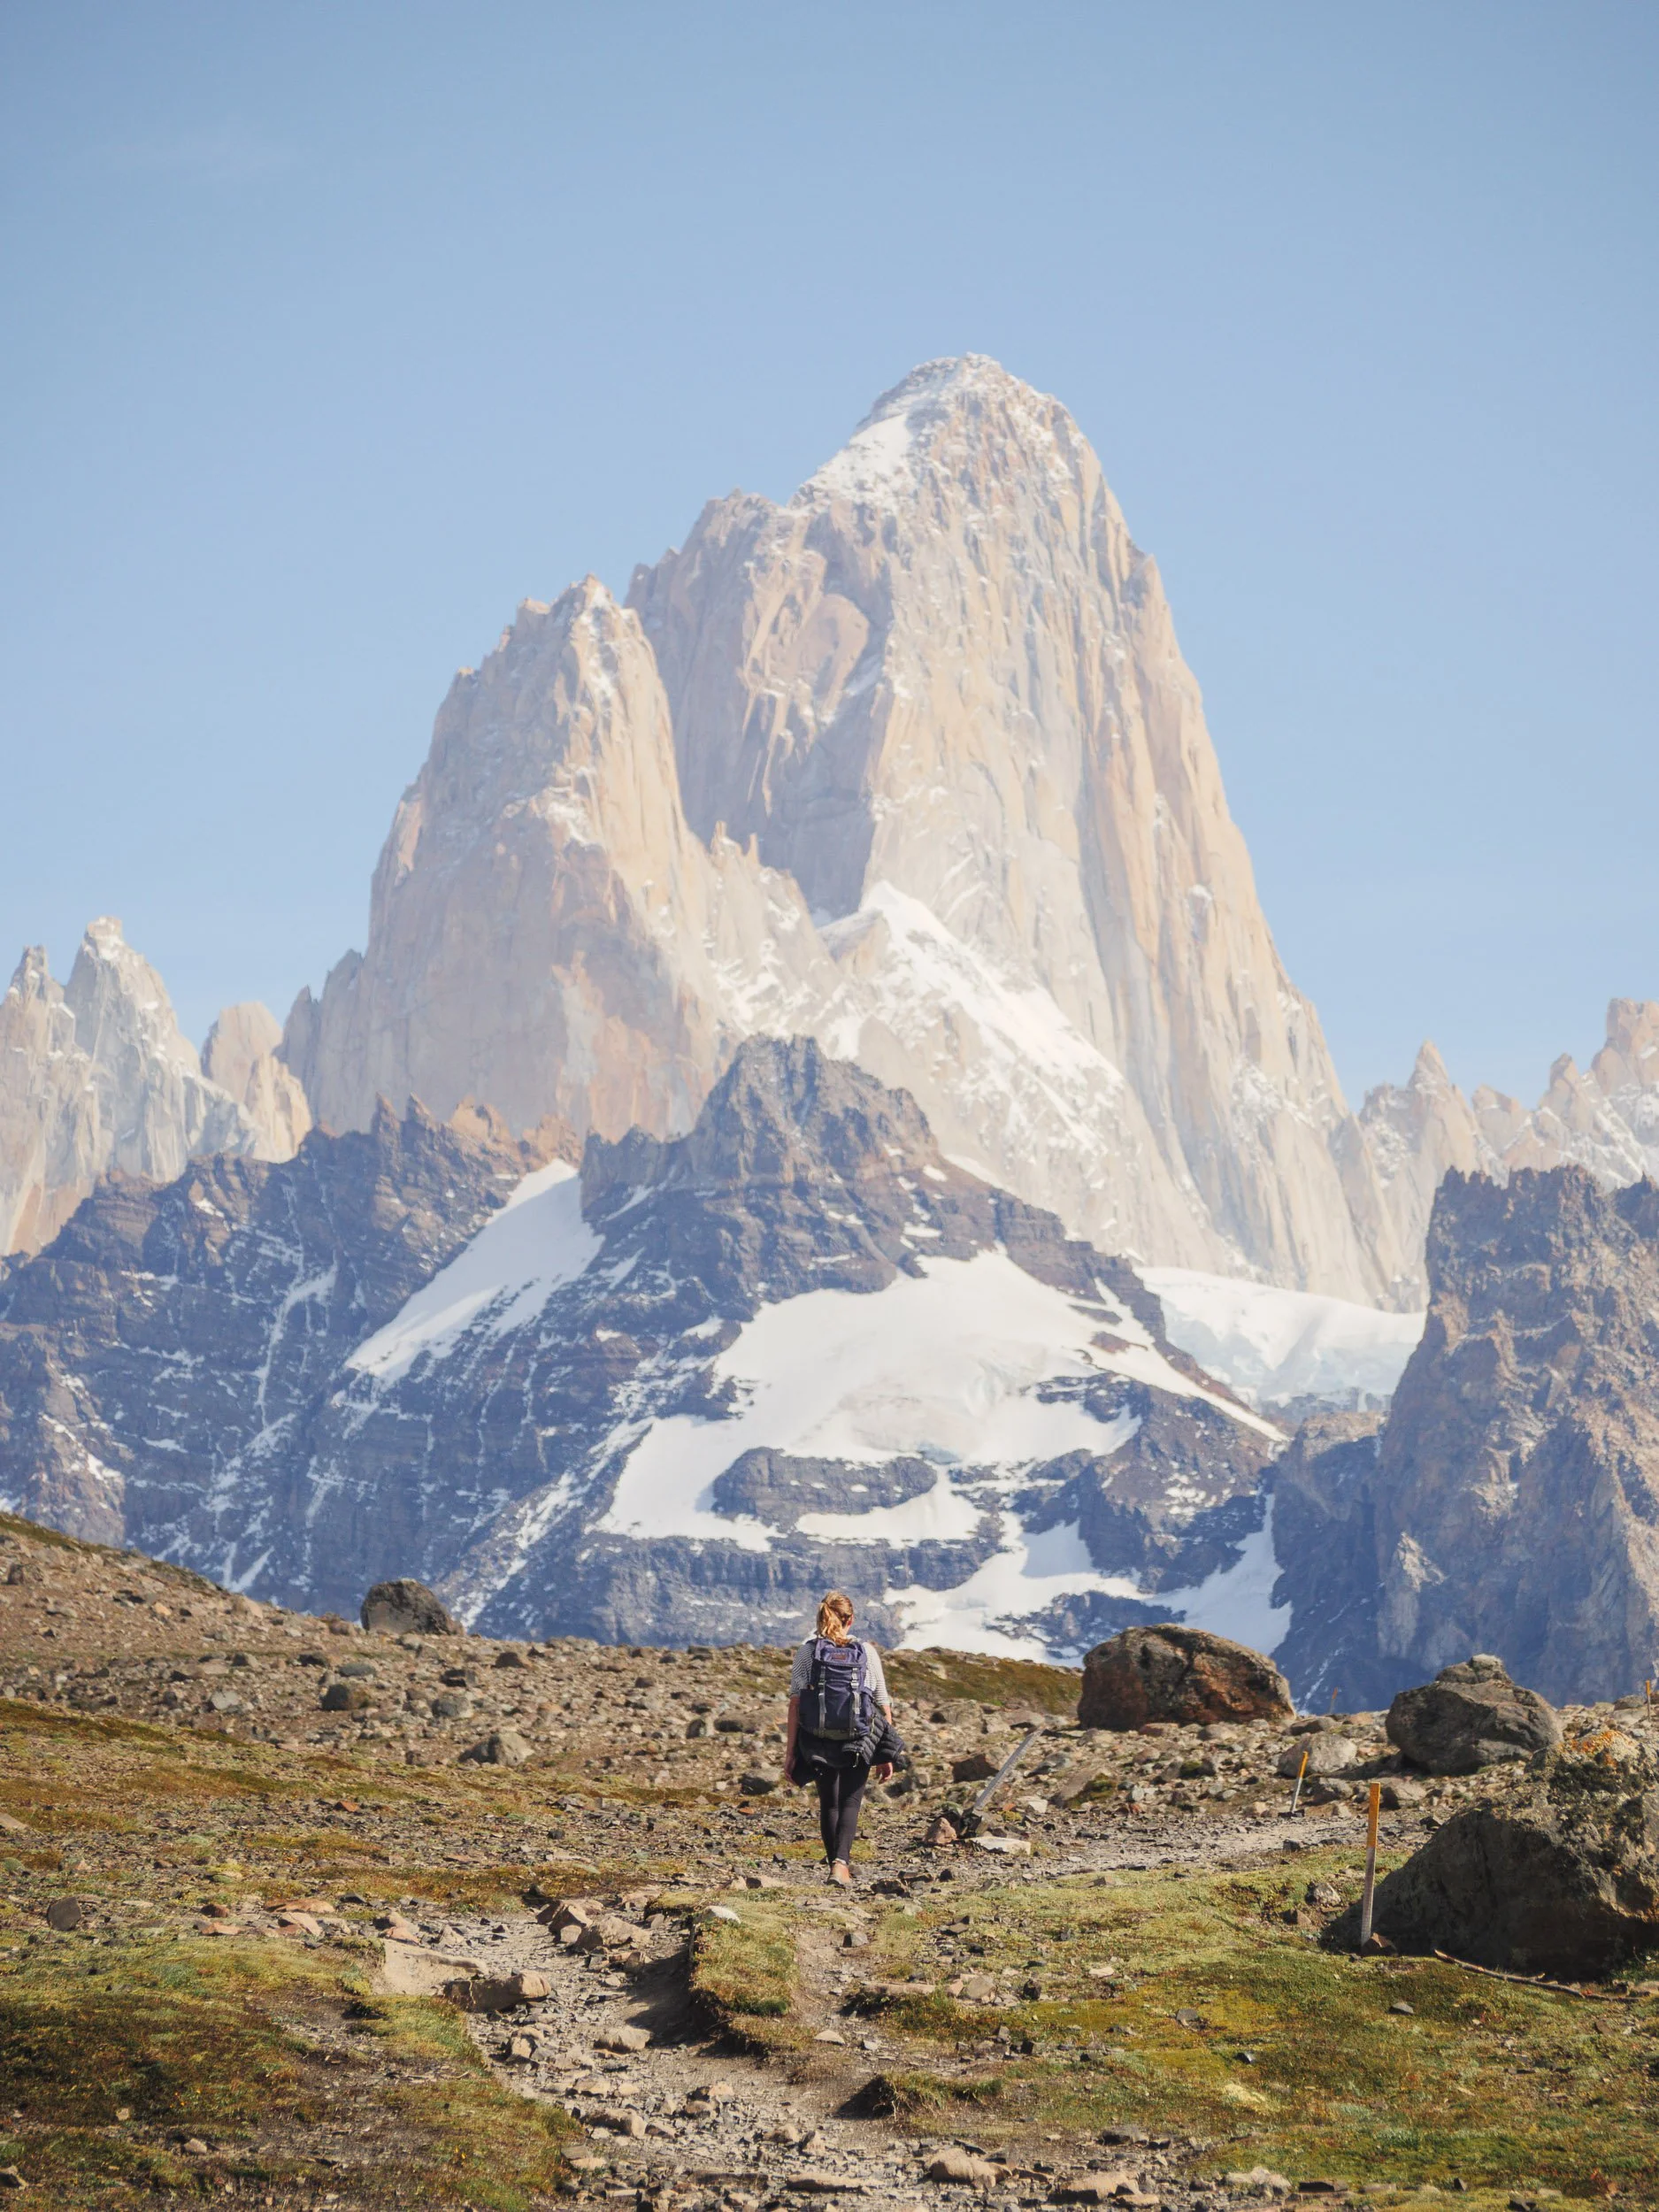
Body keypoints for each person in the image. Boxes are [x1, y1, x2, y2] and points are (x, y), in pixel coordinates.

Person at [783, 1591, 896, 1886]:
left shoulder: (808, 1652)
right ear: (851, 1619)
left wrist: (791, 1753)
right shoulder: (866, 1651)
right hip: (859, 1737)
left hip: (817, 1737)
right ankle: (841, 1864)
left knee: (829, 1803)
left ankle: (836, 1865)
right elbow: (882, 1701)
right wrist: (884, 1752)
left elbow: (795, 1702)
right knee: (850, 1800)